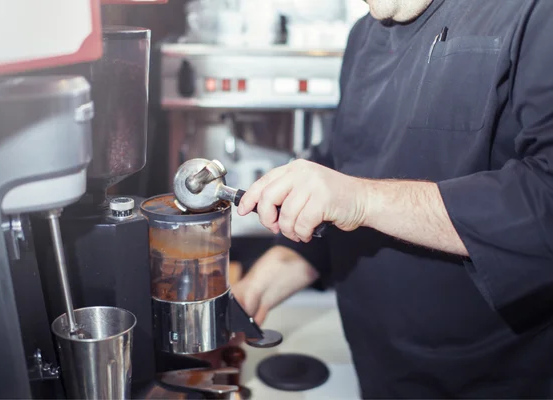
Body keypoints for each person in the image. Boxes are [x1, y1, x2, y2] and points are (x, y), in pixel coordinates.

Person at [231, 0, 553, 398]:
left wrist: (362, 199)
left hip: (496, 379)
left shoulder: (535, 12)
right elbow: (337, 173)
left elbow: (545, 199)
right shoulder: (365, 34)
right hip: (380, 370)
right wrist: (255, 291)